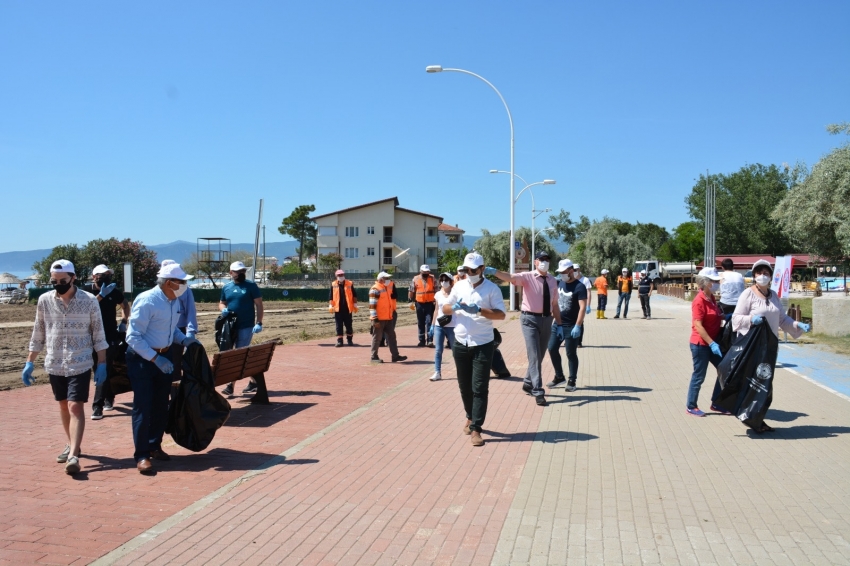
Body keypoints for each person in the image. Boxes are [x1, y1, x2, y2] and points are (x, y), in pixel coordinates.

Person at [24, 260, 108, 475]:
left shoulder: (89, 301)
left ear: (73, 278)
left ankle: (73, 456)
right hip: (55, 362)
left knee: (75, 407)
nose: (58, 284)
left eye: (63, 281)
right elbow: (39, 332)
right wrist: (29, 362)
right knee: (63, 406)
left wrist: (102, 364)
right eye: (54, 281)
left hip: (80, 362)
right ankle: (73, 444)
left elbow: (98, 334)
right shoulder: (44, 301)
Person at [126, 262, 198, 474]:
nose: (185, 285)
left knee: (160, 404)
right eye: (182, 281)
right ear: (169, 283)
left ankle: (154, 445)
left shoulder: (173, 301)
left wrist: (185, 341)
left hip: (164, 355)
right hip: (142, 359)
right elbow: (133, 337)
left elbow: (171, 328)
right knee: (143, 406)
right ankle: (141, 455)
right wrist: (155, 359)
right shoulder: (148, 300)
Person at [731, 259, 810, 431]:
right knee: (755, 383)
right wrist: (751, 319)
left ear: (771, 276)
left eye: (766, 273)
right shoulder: (748, 294)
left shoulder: (774, 295)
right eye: (759, 273)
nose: (762, 276)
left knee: (765, 384)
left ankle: (755, 418)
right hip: (752, 347)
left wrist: (797, 325)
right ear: (753, 276)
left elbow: (782, 319)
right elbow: (735, 319)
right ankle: (753, 419)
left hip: (770, 347)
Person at [442, 252, 506, 446]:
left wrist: (478, 310)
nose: (469, 273)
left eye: (473, 270)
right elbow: (445, 307)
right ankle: (470, 416)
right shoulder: (459, 286)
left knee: (479, 387)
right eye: (466, 270)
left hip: (483, 343)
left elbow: (501, 315)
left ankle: (476, 428)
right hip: (460, 342)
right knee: (464, 385)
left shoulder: (492, 289)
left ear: (482, 269)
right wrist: (454, 308)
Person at [489, 251, 561, 407]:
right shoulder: (528, 276)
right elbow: (511, 278)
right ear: (535, 262)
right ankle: (538, 390)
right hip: (529, 319)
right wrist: (495, 272)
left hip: (547, 319)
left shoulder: (553, 280)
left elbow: (555, 304)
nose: (544, 262)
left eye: (547, 259)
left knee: (540, 355)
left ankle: (528, 382)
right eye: (541, 259)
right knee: (534, 355)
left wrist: (560, 324)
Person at [86, 264, 130, 421]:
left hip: (109, 336)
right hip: (90, 337)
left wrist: (124, 321)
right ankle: (109, 396)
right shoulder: (86, 292)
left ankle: (97, 406)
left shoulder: (113, 291)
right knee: (98, 370)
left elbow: (125, 305)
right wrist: (101, 296)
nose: (105, 277)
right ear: (94, 276)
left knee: (104, 367)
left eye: (107, 274)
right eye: (101, 275)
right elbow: (84, 310)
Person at [219, 261, 264, 397]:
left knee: (238, 355)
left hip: (246, 326)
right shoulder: (226, 287)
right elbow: (221, 303)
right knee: (229, 354)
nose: (241, 274)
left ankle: (230, 386)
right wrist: (223, 310)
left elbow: (259, 305)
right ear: (231, 273)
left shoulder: (251, 286)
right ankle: (254, 380)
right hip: (230, 326)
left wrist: (259, 322)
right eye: (238, 271)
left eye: (242, 271)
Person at [686, 268, 725, 417]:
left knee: (724, 369)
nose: (717, 284)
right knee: (699, 376)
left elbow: (714, 315)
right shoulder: (699, 301)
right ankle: (691, 405)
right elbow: (698, 325)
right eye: (714, 281)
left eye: (717, 281)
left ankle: (716, 402)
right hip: (700, 345)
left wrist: (724, 317)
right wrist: (711, 343)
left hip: (712, 343)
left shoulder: (711, 297)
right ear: (706, 282)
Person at [547, 259, 587, 392]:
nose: (562, 274)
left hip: (572, 326)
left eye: (564, 272)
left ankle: (572, 381)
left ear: (571, 271)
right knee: (552, 348)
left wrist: (578, 326)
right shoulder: (559, 284)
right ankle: (559, 376)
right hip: (558, 324)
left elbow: (582, 308)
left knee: (571, 353)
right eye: (560, 272)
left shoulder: (579, 287)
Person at [370, 272, 407, 363]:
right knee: (377, 338)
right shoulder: (375, 289)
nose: (388, 280)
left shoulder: (386, 288)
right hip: (379, 319)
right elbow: (372, 306)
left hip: (388, 318)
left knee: (392, 337)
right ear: (381, 279)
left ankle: (395, 356)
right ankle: (374, 357)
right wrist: (375, 319)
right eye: (386, 278)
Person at [430, 272, 457, 381]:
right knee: (438, 350)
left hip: (452, 325)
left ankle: (461, 371)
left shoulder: (455, 294)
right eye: (441, 280)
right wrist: (432, 325)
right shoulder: (438, 294)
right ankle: (437, 372)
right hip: (439, 325)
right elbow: (436, 309)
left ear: (451, 282)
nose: (443, 282)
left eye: (446, 280)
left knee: (456, 349)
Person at [160, 260, 198, 338]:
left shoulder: (185, 290)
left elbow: (190, 310)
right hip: (161, 330)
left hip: (179, 329)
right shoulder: (154, 294)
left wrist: (191, 331)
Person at [409, 264, 437, 347]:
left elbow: (436, 289)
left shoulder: (432, 278)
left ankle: (430, 340)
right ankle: (421, 341)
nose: (426, 273)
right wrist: (410, 301)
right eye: (424, 272)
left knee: (429, 322)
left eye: (427, 272)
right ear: (420, 271)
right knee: (420, 322)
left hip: (429, 303)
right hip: (419, 303)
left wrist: (436, 301)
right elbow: (411, 290)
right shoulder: (416, 279)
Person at [328, 269, 358, 347]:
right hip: (338, 309)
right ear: (336, 276)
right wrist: (331, 305)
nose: (341, 276)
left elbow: (354, 295)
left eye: (342, 275)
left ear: (344, 275)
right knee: (339, 326)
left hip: (347, 308)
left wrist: (355, 304)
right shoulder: (333, 284)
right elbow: (331, 296)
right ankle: (340, 341)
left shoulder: (349, 283)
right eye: (339, 275)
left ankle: (349, 340)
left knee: (348, 325)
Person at [573, 264, 593, 347]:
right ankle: (570, 340)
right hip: (572, 304)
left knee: (580, 322)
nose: (574, 271)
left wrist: (588, 305)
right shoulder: (571, 279)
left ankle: (578, 342)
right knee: (571, 322)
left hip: (581, 304)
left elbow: (589, 292)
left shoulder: (585, 280)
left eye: (576, 269)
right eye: (573, 270)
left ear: (579, 269)